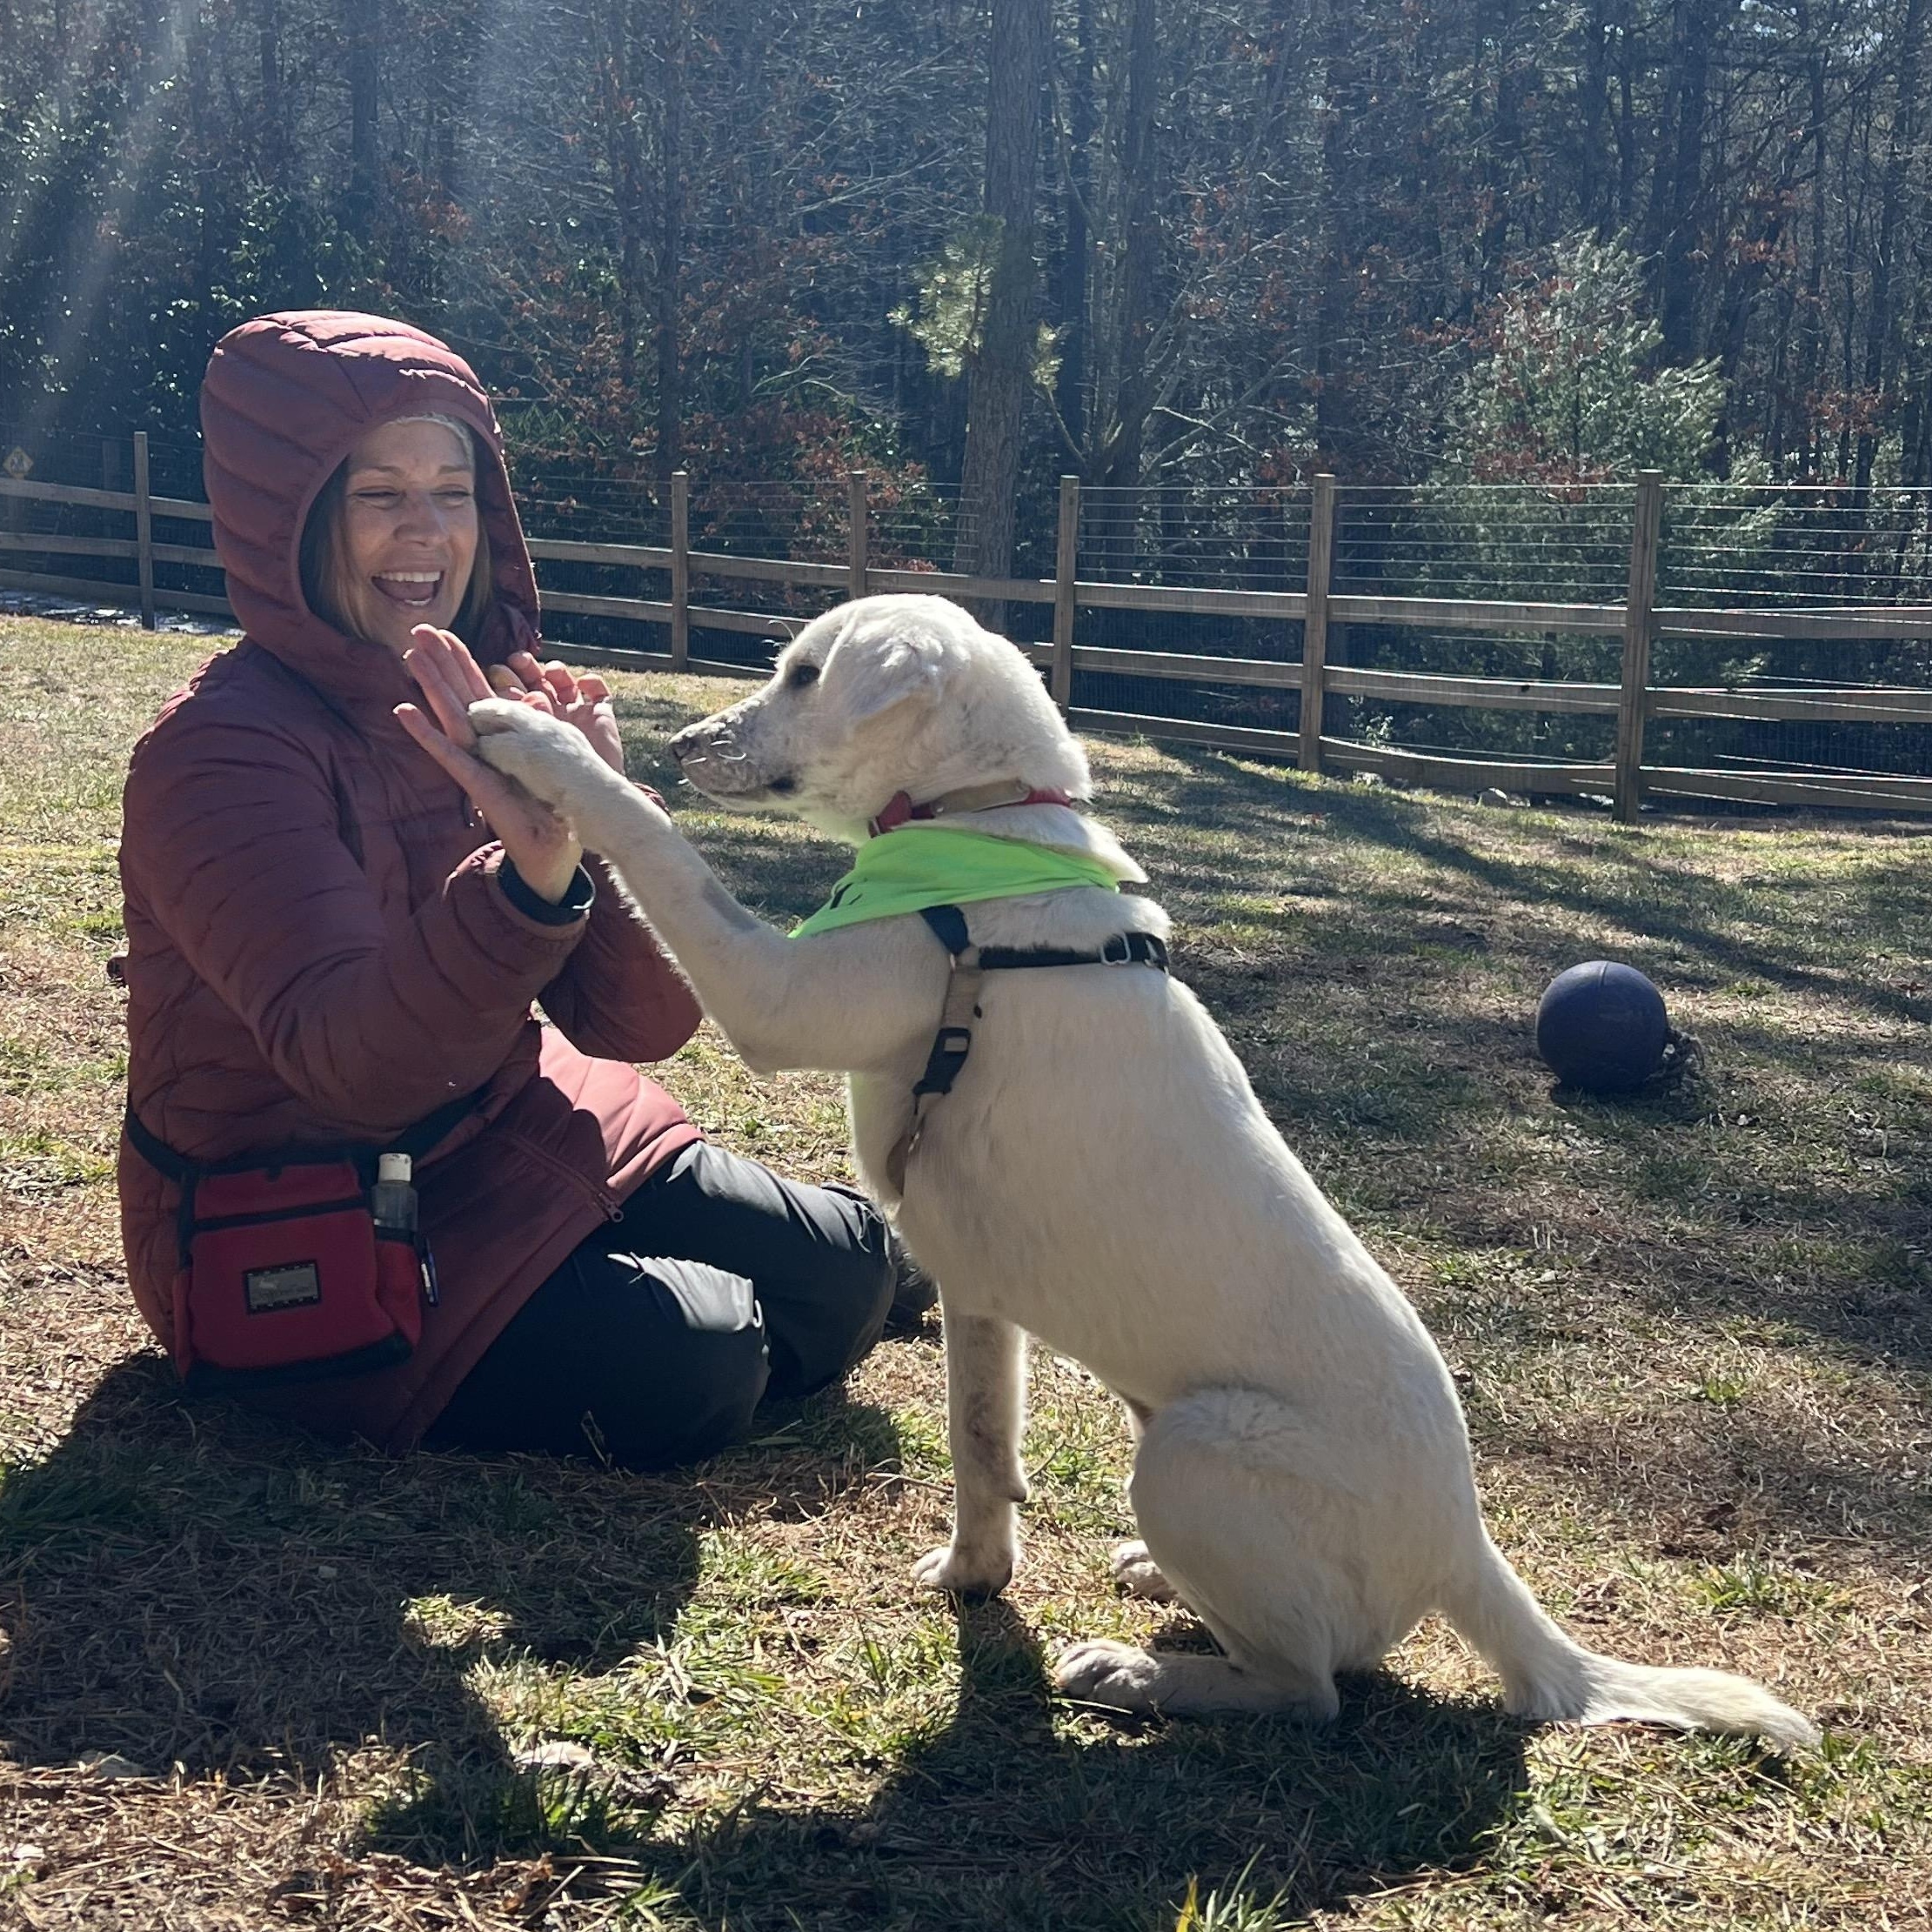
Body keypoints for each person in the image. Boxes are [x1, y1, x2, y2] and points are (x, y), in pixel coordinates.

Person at [117, 310, 923, 1467]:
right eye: (377, 494)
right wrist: (530, 880)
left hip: (510, 1121)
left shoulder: (489, 703)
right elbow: (356, 1070)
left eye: (453, 491)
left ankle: (820, 1274)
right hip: (301, 1205)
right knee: (706, 1360)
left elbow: (642, 1026)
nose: (425, 533)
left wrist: (599, 824)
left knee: (846, 1275)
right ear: (285, 512)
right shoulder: (219, 756)